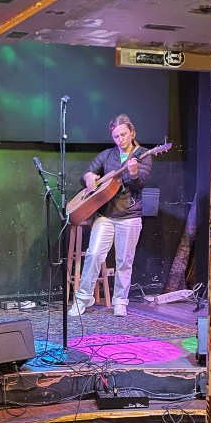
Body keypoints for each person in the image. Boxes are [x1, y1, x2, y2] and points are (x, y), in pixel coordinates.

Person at [71, 114, 151, 318]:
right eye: (116, 136)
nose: (120, 140)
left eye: (123, 135)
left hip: (130, 215)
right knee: (94, 254)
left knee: (124, 261)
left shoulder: (143, 154)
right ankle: (83, 299)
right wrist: (88, 177)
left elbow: (139, 184)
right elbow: (86, 174)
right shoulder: (107, 155)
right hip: (106, 214)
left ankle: (120, 302)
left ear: (132, 132)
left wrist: (133, 173)